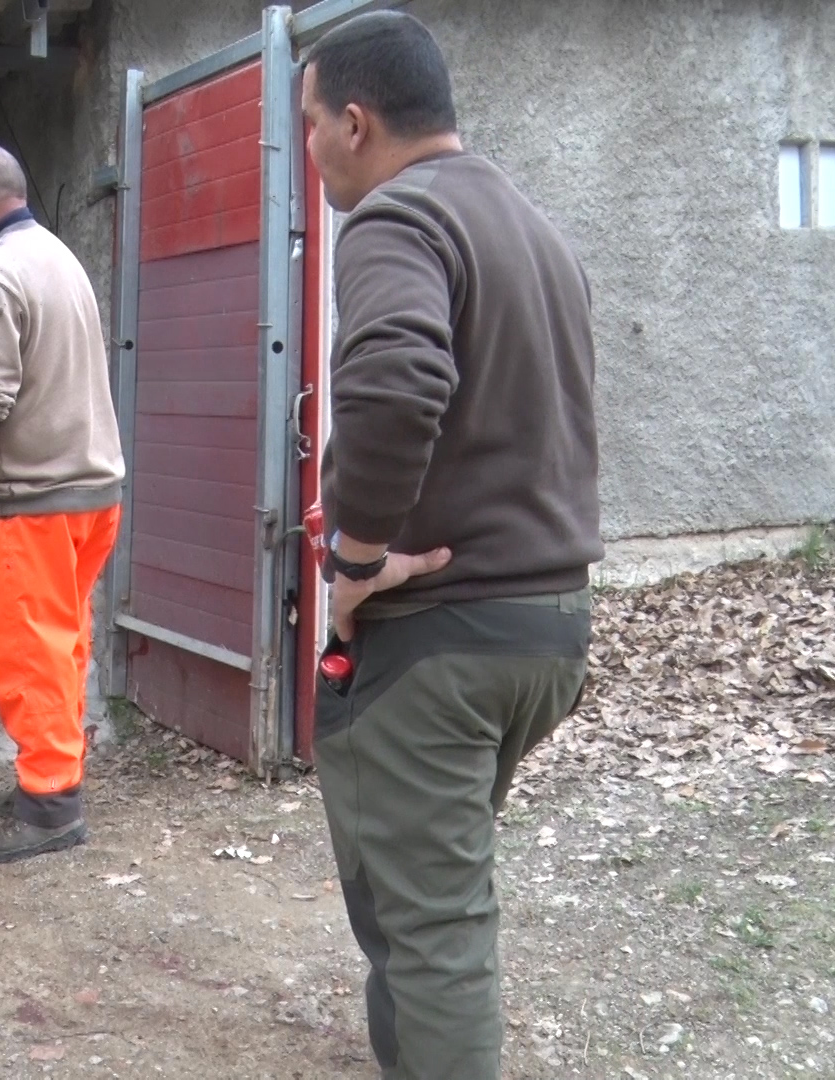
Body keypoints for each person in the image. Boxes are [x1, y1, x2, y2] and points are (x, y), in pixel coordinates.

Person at [300, 13, 601, 1079]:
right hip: (545, 628)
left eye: (310, 124)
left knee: (434, 931)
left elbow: (397, 383)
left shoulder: (397, 219)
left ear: (356, 121)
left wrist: (356, 557)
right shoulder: (533, 229)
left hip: (442, 639)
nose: (310, 150)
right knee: (419, 890)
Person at [0, 143, 126, 864]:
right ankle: (55, 776)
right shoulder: (55, 257)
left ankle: (49, 806)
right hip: (88, 492)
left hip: (26, 503)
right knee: (63, 641)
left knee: (28, 651)